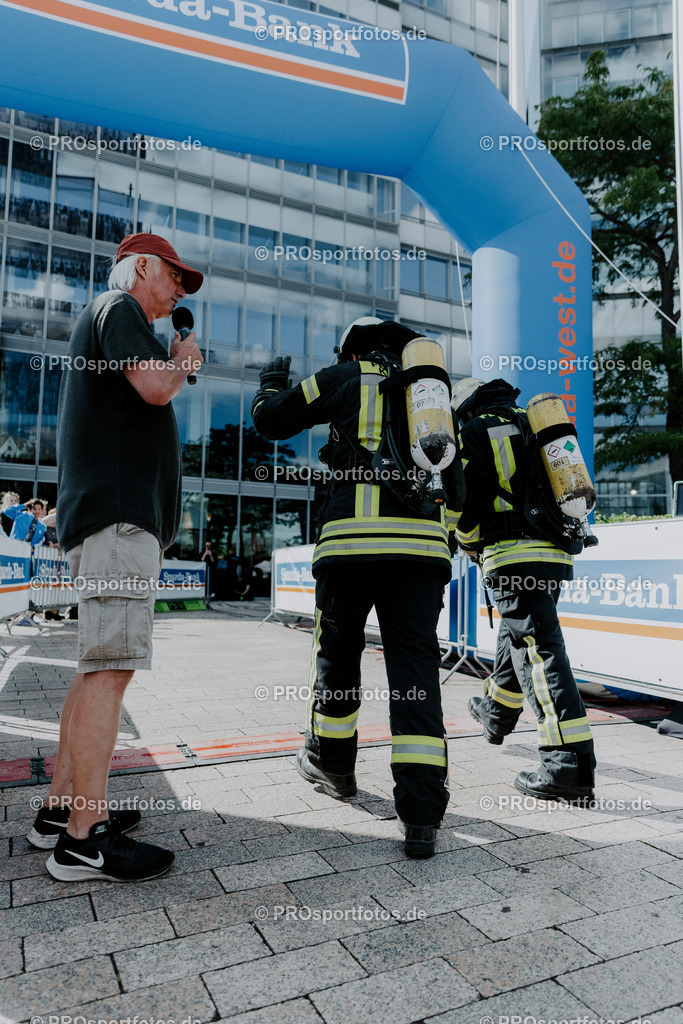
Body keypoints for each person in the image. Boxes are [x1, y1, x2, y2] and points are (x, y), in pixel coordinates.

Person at [27, 232, 204, 883]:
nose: (179, 293)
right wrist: (182, 358)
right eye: (176, 279)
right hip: (118, 520)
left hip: (107, 519)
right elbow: (157, 388)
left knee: (94, 668)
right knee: (110, 669)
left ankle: (61, 811)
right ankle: (84, 839)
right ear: (146, 267)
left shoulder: (110, 317)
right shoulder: (119, 309)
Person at [252, 318, 463, 858]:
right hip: (420, 554)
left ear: (352, 348)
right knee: (415, 670)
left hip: (349, 545)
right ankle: (420, 816)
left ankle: (333, 765)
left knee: (339, 655)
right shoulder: (430, 395)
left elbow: (272, 422)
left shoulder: (345, 376)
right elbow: (454, 481)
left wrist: (271, 385)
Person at [452, 377, 596, 802]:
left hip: (511, 555)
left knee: (538, 648)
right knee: (519, 636)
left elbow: (466, 503)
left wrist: (462, 542)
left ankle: (566, 766)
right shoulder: (535, 422)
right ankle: (497, 711)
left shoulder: (475, 430)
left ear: (465, 408)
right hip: (554, 555)